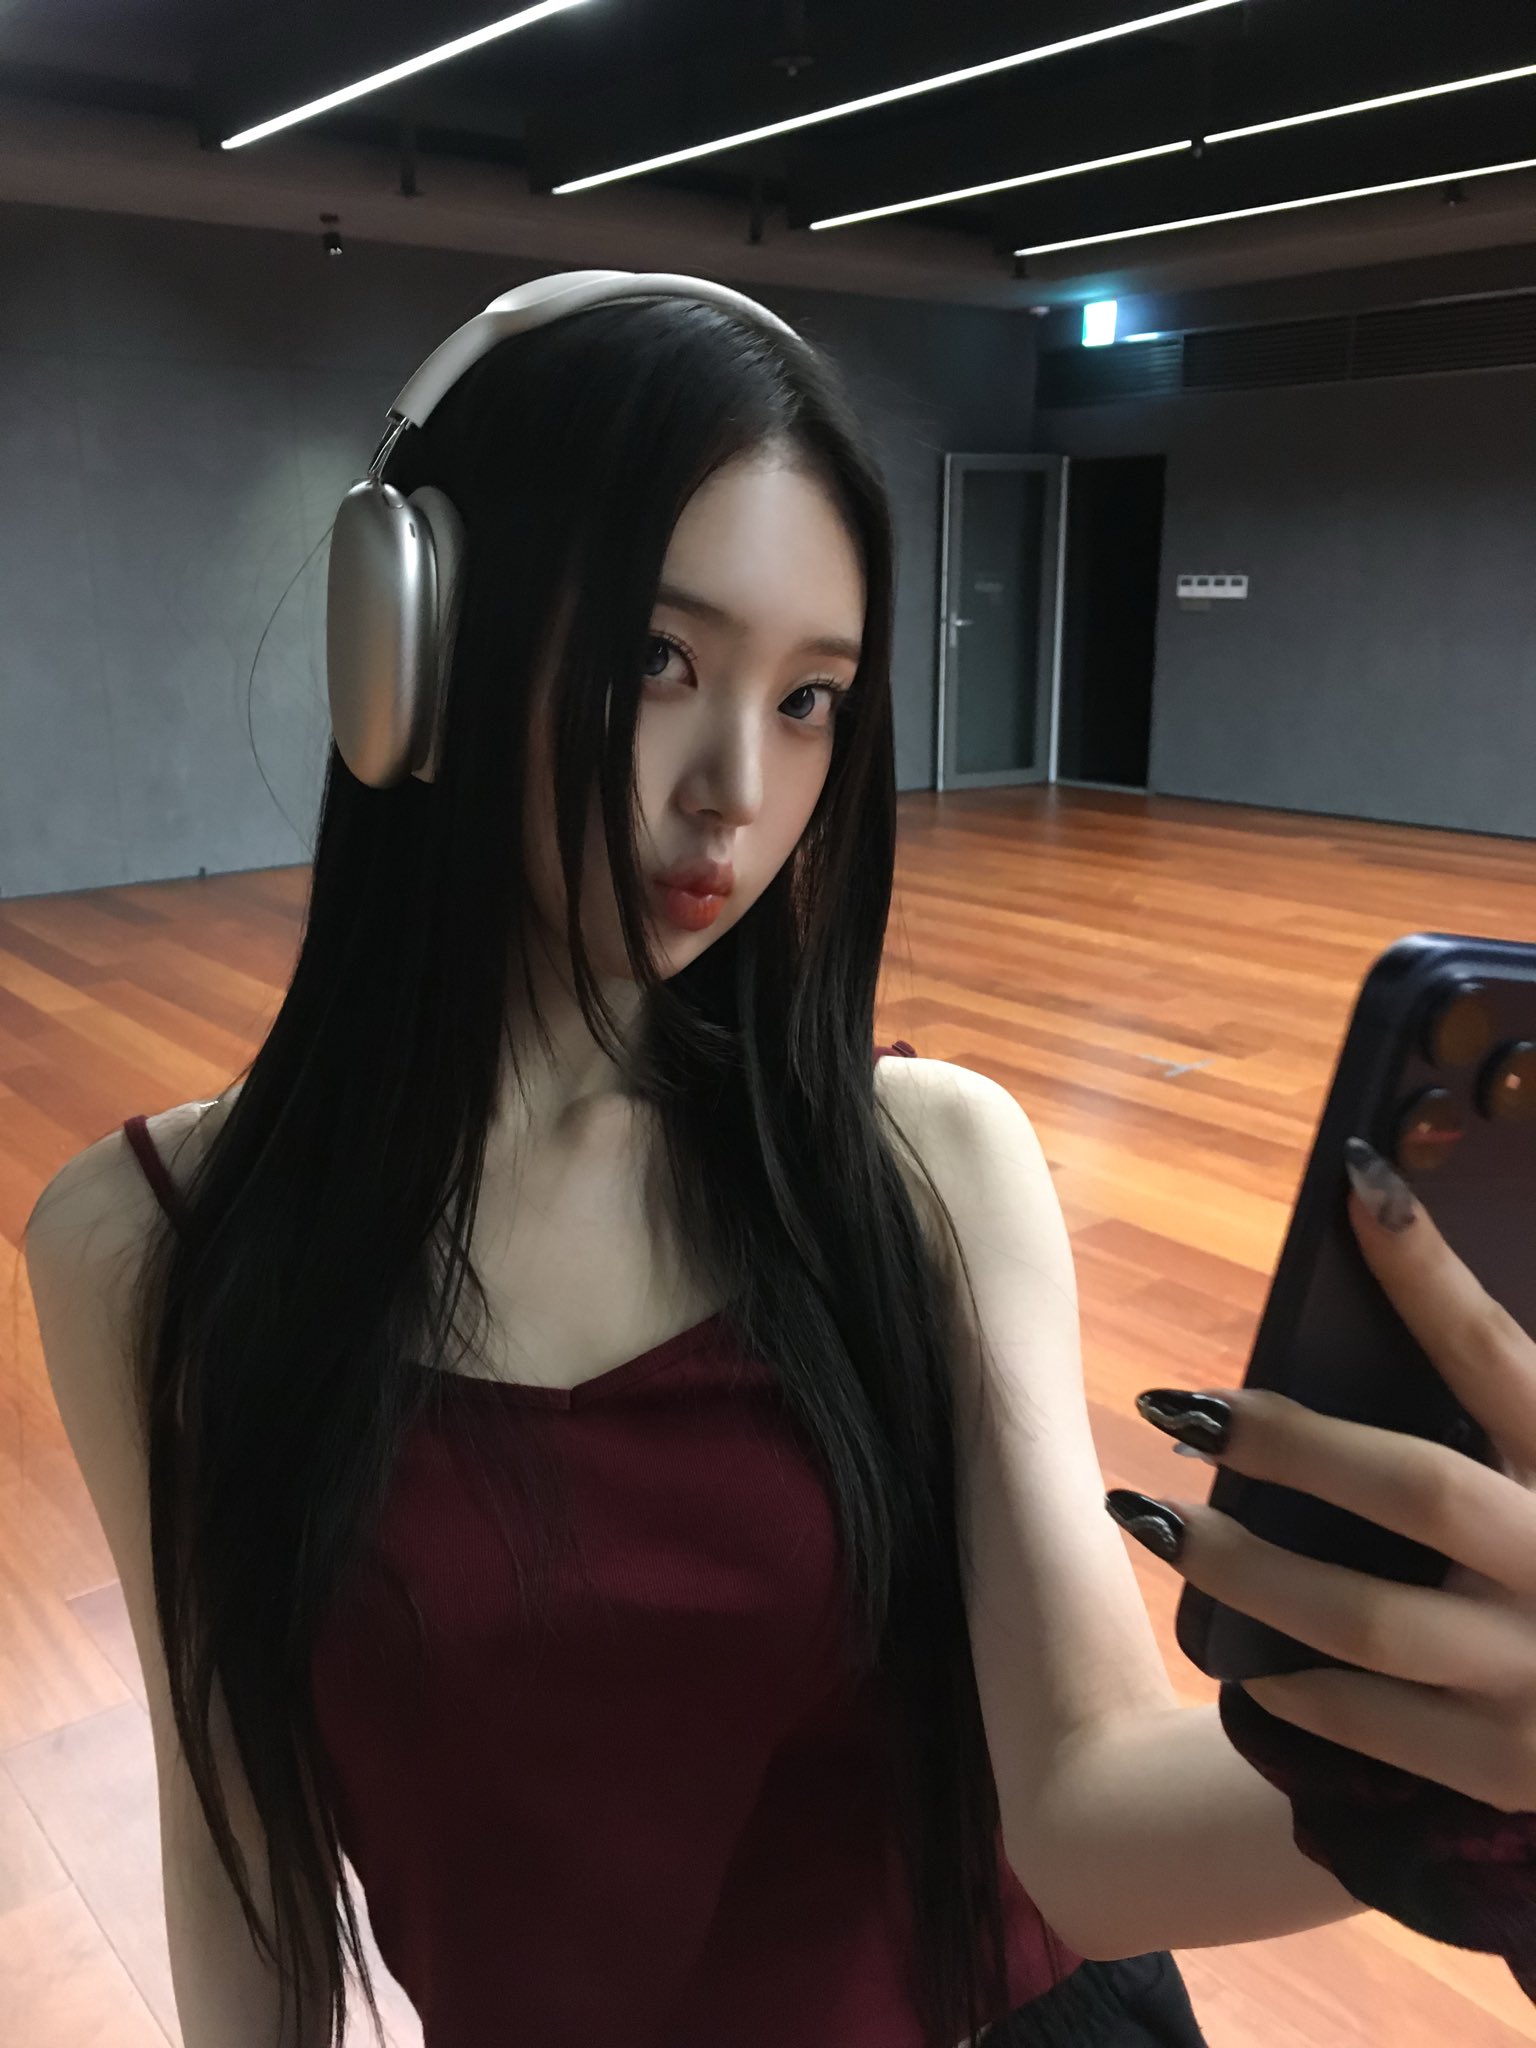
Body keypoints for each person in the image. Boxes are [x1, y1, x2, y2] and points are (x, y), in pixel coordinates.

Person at [22, 275, 1536, 2048]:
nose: (737, 787)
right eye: (658, 661)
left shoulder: (927, 1161)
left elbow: (1091, 1822)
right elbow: (239, 1858)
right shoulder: (145, 1249)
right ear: (412, 654)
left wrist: (1470, 1778)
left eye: (812, 697)